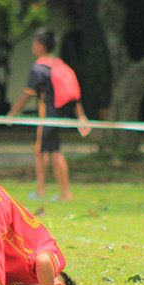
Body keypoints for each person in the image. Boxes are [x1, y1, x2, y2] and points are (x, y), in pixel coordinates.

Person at [7, 27, 90, 202]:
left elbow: (28, 94)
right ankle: (64, 193)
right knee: (54, 152)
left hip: (47, 116)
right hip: (59, 115)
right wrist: (81, 116)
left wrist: (13, 113)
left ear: (40, 45)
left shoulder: (39, 69)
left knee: (40, 152)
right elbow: (74, 96)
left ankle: (42, 191)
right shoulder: (60, 65)